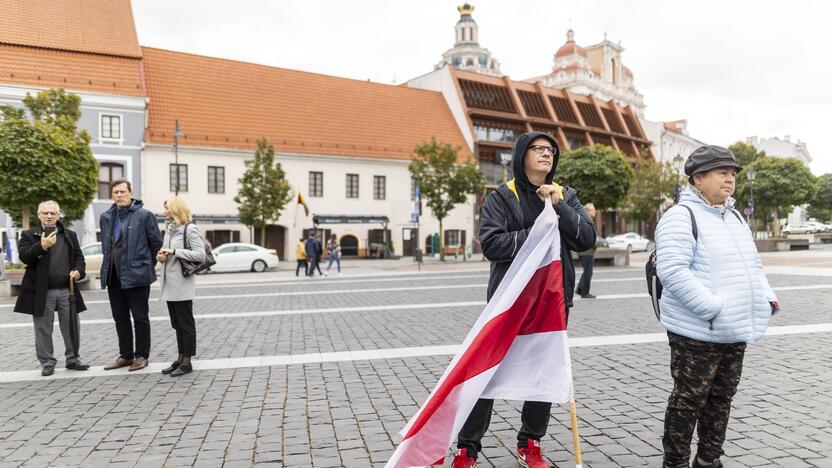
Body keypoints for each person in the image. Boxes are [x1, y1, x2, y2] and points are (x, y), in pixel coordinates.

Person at [453, 131, 596, 468]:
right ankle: (467, 448)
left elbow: (586, 238)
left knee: (543, 374)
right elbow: (491, 244)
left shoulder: (566, 195)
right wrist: (539, 232)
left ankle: (530, 441)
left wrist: (559, 206)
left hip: (552, 299)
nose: (547, 154)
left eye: (551, 150)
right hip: (510, 300)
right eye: (539, 149)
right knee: (485, 373)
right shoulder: (502, 197)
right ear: (522, 154)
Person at [655, 145, 780, 468]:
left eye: (733, 173)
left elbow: (753, 265)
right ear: (698, 179)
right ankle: (676, 462)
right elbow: (671, 270)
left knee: (721, 399)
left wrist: (766, 299)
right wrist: (712, 308)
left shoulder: (734, 216)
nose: (730, 179)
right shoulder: (681, 217)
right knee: (688, 400)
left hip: (733, 329)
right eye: (722, 172)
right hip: (697, 330)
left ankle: (709, 460)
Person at [14, 201, 89, 376]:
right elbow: (25, 257)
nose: (49, 216)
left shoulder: (69, 234)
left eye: (52, 213)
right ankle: (47, 363)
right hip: (42, 291)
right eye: (45, 213)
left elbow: (79, 258)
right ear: (38, 215)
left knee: (71, 326)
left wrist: (78, 270)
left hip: (67, 289)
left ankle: (73, 359)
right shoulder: (28, 235)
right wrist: (43, 245)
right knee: (43, 329)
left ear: (58, 215)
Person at [100, 179, 163, 372]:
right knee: (120, 318)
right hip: (113, 276)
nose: (119, 195)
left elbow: (156, 245)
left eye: (122, 192)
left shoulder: (144, 216)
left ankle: (142, 356)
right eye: (115, 192)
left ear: (130, 193)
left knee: (140, 318)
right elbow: (107, 247)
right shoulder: (106, 217)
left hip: (137, 276)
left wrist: (144, 266)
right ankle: (126, 356)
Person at [157, 196, 205, 377]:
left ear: (176, 210)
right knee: (176, 324)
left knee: (186, 324)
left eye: (167, 208)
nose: (164, 211)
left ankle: (187, 362)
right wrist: (160, 256)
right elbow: (164, 251)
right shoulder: (169, 229)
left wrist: (175, 251)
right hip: (169, 283)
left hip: (182, 284)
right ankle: (180, 358)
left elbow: (200, 255)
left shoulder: (190, 229)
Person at [575, 203, 598, 299]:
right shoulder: (587, 220)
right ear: (588, 211)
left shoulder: (585, 219)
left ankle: (580, 289)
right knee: (588, 272)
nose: (595, 211)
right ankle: (585, 292)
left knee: (586, 271)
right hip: (587, 251)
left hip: (586, 251)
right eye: (593, 209)